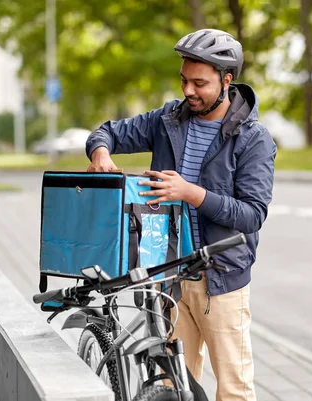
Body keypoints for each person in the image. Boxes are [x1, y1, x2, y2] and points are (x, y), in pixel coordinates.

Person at [86, 28, 276, 401]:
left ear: (227, 80)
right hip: (168, 275)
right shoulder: (168, 120)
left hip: (221, 281)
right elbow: (108, 131)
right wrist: (100, 152)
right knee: (169, 387)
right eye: (184, 81)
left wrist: (191, 194)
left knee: (233, 390)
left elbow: (252, 214)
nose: (188, 91)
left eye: (199, 83)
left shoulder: (254, 139)